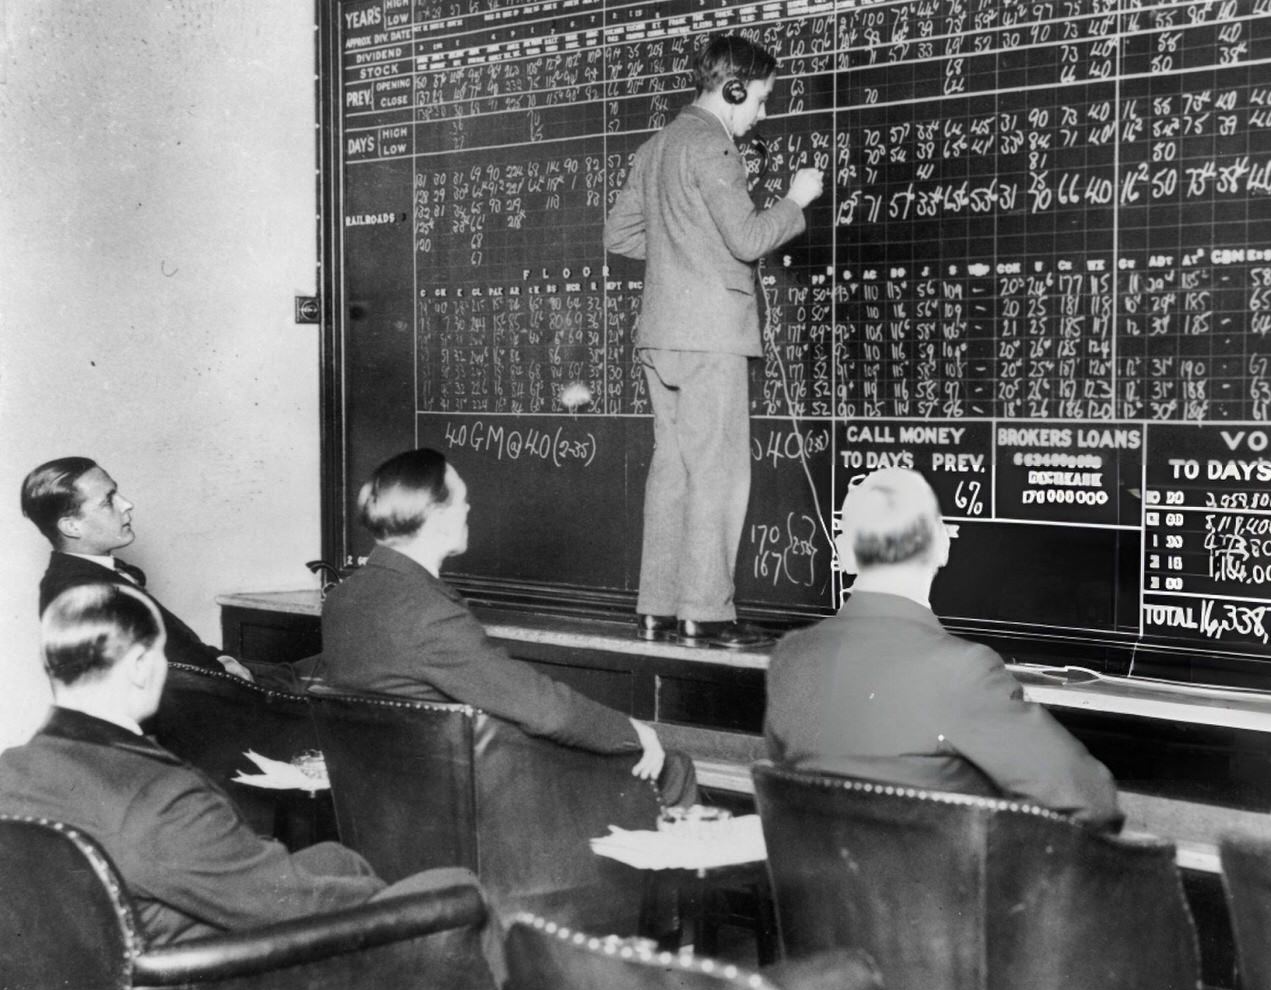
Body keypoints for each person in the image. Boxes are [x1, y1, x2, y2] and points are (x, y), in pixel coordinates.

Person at [0, 582, 477, 945]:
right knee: (454, 889)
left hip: (116, 968)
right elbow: (289, 905)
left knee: (337, 860)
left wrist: (346, 871)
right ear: (142, 665)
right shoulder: (159, 799)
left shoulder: (13, 770)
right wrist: (382, 899)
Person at [604, 34, 825, 649]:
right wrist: (796, 199)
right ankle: (706, 612)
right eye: (760, 98)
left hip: (661, 333)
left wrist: (682, 254)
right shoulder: (715, 147)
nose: (763, 112)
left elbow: (620, 235)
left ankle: (657, 609)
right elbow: (750, 238)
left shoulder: (657, 145)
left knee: (671, 469)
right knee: (719, 473)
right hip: (711, 337)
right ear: (733, 90)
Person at [320, 448, 696, 807]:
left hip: (396, 800)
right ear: (436, 517)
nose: (468, 509)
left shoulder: (344, 599)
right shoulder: (428, 614)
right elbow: (550, 713)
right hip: (478, 802)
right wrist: (633, 731)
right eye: (460, 501)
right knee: (672, 766)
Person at [764, 468, 1123, 831]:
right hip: (940, 887)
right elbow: (1091, 801)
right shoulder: (963, 671)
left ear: (844, 553)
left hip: (818, 885)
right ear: (942, 544)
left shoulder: (790, 657)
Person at [21, 456, 270, 682]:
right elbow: (163, 680)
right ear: (72, 527)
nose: (127, 504)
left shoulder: (90, 577)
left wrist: (224, 660)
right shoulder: (81, 592)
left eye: (117, 493)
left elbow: (175, 649)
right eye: (108, 501)